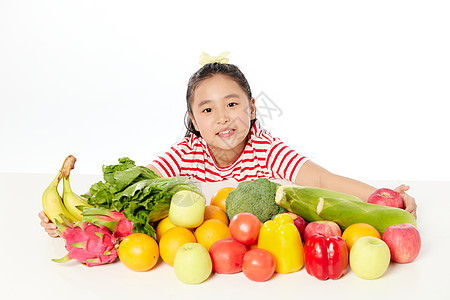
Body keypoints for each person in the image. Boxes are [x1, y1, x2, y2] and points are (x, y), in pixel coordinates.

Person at [39, 52, 417, 237]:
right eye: (207, 109)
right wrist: (77, 214)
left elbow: (321, 179)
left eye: (232, 104)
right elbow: (134, 187)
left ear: (252, 109)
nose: (222, 117)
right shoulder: (186, 152)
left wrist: (383, 199)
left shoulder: (265, 147)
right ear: (194, 121)